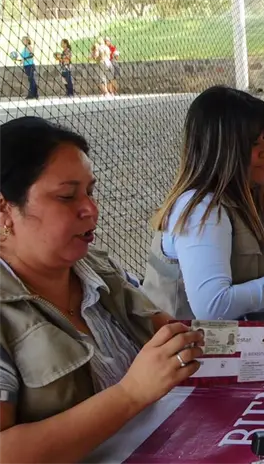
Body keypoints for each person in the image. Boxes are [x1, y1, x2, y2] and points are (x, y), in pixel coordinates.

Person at [0, 117, 204, 461]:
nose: (90, 209)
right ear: (5, 209)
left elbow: (170, 334)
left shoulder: (95, 268)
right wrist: (130, 395)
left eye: (90, 192)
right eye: (66, 196)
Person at [142, 87, 264, 320]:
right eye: (254, 143)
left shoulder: (248, 195)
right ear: (222, 150)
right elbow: (212, 307)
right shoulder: (201, 210)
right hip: (195, 348)